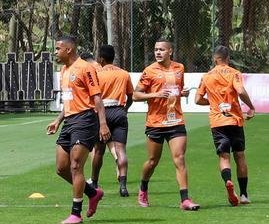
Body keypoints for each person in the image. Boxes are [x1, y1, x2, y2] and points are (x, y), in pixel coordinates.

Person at [45, 35, 110, 224]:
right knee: (61, 168)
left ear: (69, 49)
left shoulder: (85, 68)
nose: (55, 52)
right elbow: (70, 100)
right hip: (69, 121)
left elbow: (97, 98)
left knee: (75, 166)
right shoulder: (64, 70)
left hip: (85, 120)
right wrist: (58, 121)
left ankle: (76, 213)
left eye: (58, 48)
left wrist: (103, 124)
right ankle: (93, 193)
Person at [133, 40, 198, 210]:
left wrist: (183, 93)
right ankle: (143, 187)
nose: (158, 52)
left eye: (161, 49)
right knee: (152, 161)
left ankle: (185, 199)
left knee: (180, 158)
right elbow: (135, 95)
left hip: (176, 121)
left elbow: (177, 90)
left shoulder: (179, 68)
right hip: (155, 122)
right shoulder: (149, 71)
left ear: (170, 51)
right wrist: (156, 94)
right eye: (156, 50)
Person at [196, 45, 256, 206]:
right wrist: (251, 106)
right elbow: (241, 91)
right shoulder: (234, 73)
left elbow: (197, 99)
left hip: (217, 122)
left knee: (224, 156)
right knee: (240, 156)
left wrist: (214, 102)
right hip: (234, 120)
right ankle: (244, 195)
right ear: (227, 58)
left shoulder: (206, 76)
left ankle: (228, 181)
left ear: (214, 59)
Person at [90, 45, 133, 197]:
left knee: (99, 150)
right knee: (121, 150)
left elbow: (93, 97)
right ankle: (123, 186)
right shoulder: (124, 74)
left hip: (102, 113)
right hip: (119, 111)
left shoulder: (96, 74)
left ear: (101, 59)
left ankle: (94, 182)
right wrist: (124, 109)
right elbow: (131, 96)